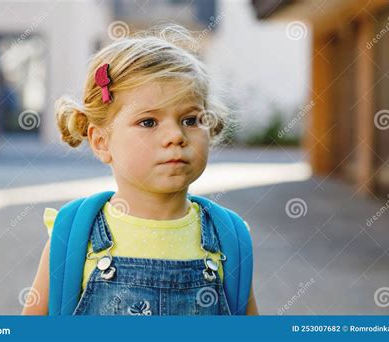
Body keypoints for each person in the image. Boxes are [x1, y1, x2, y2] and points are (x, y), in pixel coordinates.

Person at [22, 24, 258, 316]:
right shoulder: (73, 236)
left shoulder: (228, 237)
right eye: (149, 122)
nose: (176, 135)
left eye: (191, 120)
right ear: (101, 141)